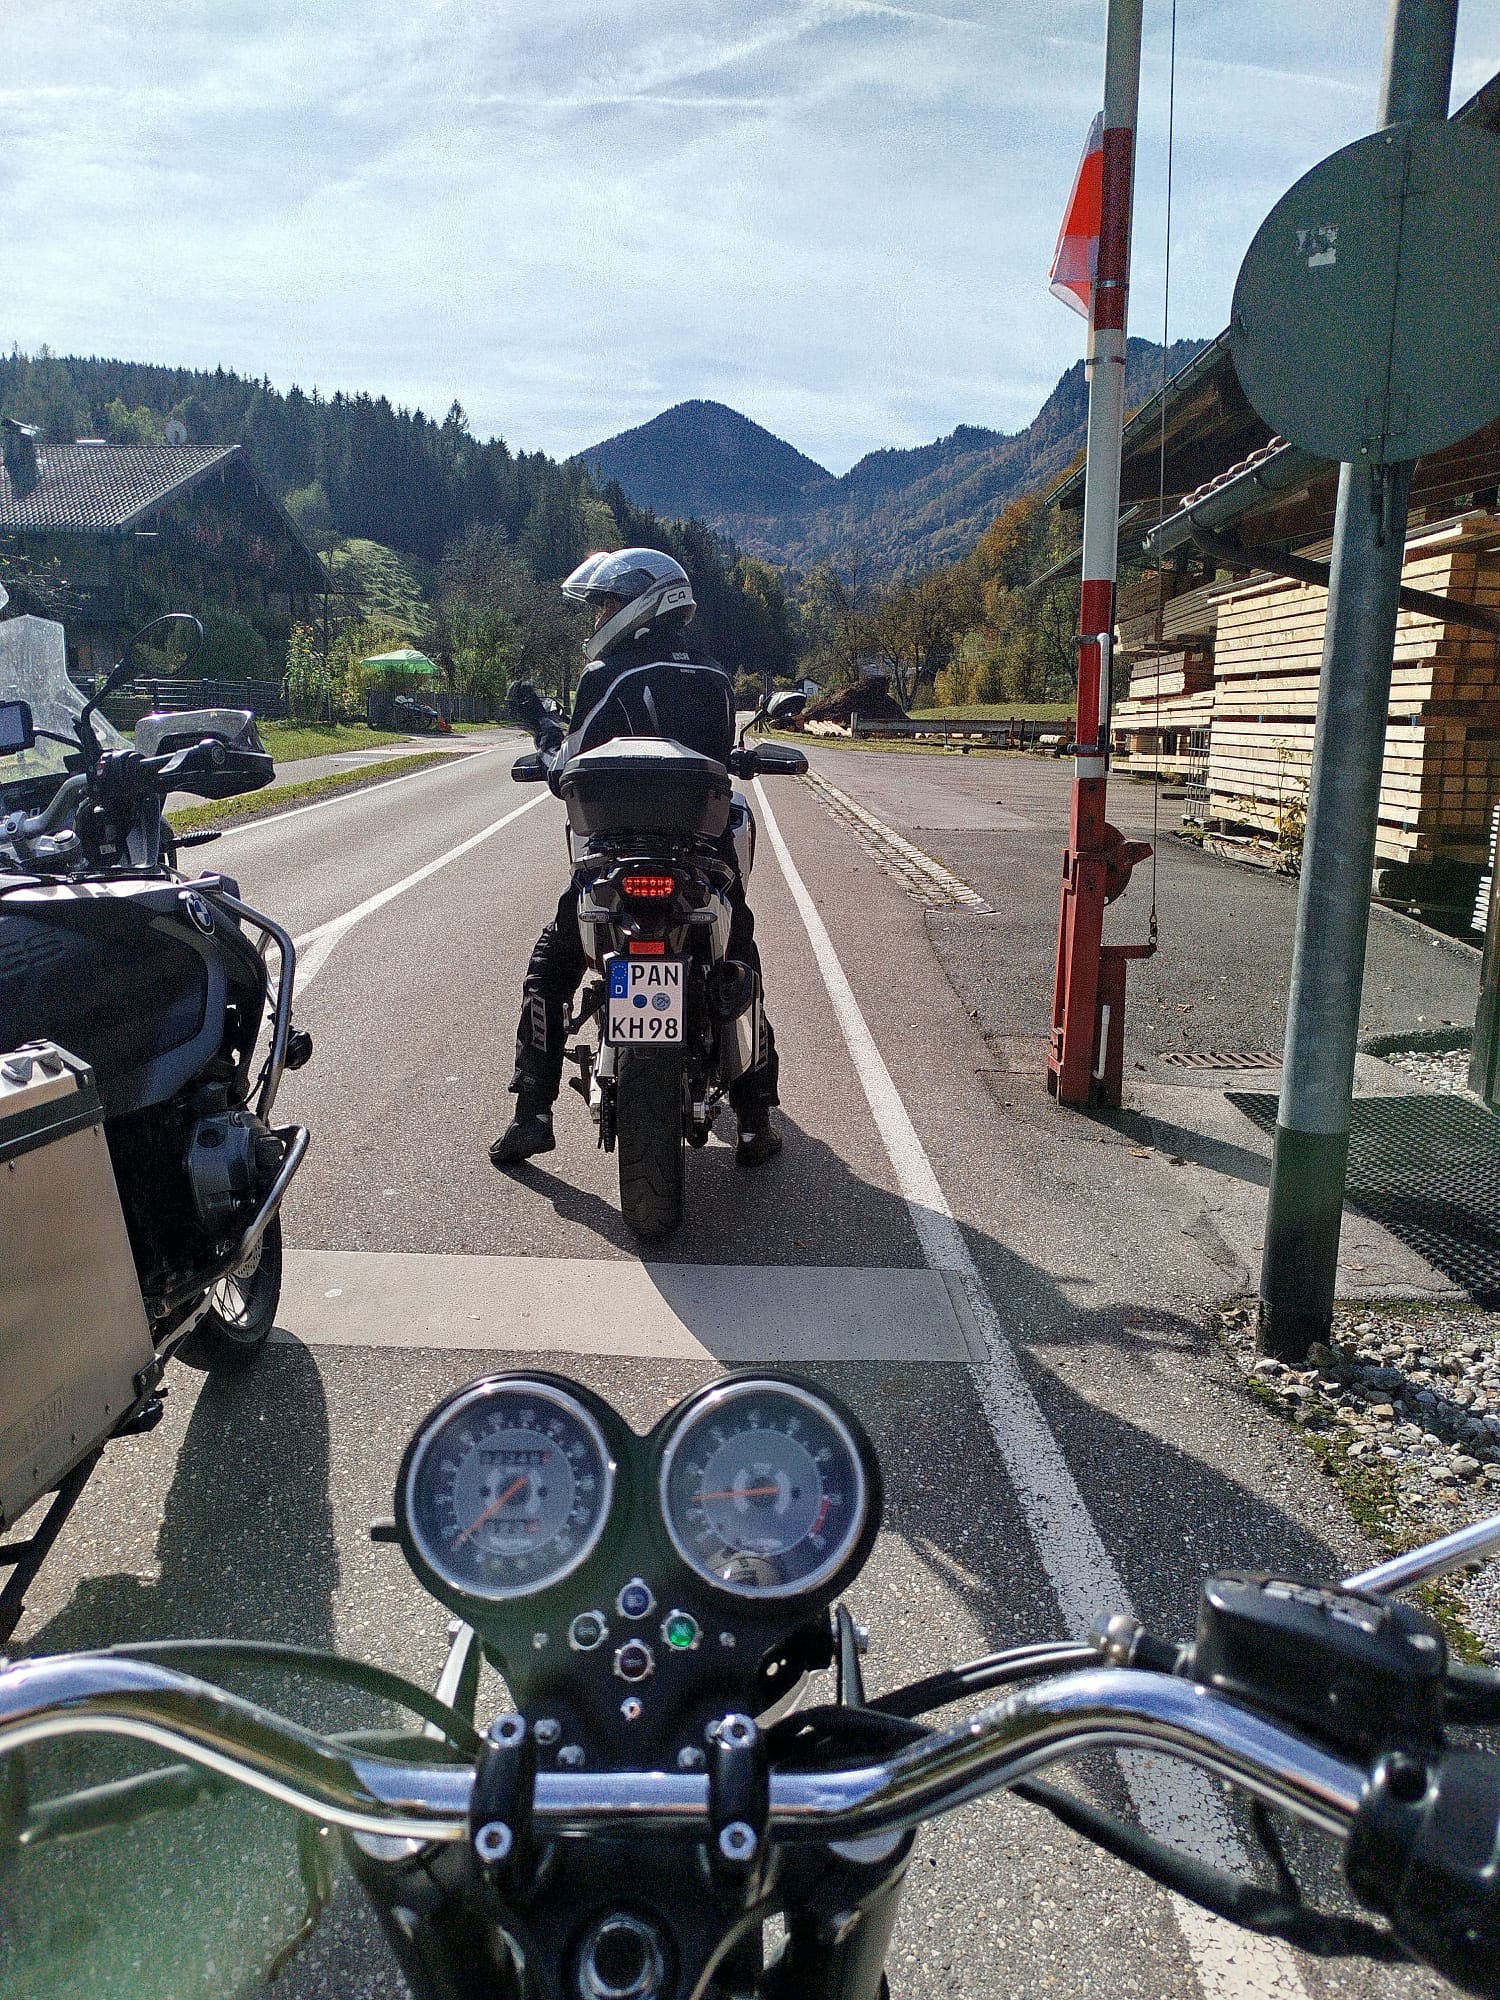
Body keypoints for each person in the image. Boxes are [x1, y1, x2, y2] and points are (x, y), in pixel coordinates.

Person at [491, 547, 782, 1170]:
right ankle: (756, 1119)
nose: (599, 616)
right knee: (740, 961)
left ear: (642, 604)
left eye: (606, 604)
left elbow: (566, 767)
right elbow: (721, 760)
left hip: (617, 859)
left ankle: (533, 1112)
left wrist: (541, 728)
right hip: (697, 861)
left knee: (553, 965)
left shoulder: (608, 675)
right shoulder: (714, 678)